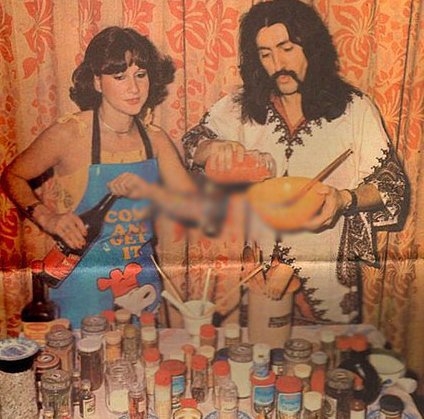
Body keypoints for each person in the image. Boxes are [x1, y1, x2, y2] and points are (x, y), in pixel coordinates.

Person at [181, 0, 409, 323]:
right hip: (259, 277)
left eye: (286, 49)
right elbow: (192, 143)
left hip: (326, 282)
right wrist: (212, 148)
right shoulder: (241, 107)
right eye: (265, 54)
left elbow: (393, 186)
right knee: (258, 351)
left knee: (326, 355)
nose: (278, 64)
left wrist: (345, 199)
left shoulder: (353, 109)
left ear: (310, 47)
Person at [1, 27, 200, 327]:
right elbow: (12, 175)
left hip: (139, 284)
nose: (134, 88)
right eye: (119, 77)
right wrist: (48, 218)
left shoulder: (155, 139)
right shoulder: (70, 133)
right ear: (97, 81)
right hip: (81, 286)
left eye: (140, 74)